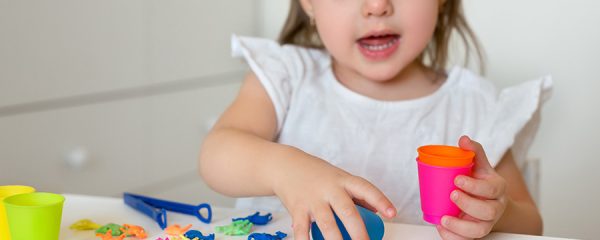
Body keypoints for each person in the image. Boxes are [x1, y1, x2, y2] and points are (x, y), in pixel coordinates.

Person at [199, 0, 551, 239]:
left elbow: (531, 224)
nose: (377, 4)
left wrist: (495, 213)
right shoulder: (285, 76)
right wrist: (285, 169)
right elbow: (216, 153)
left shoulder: (475, 104)